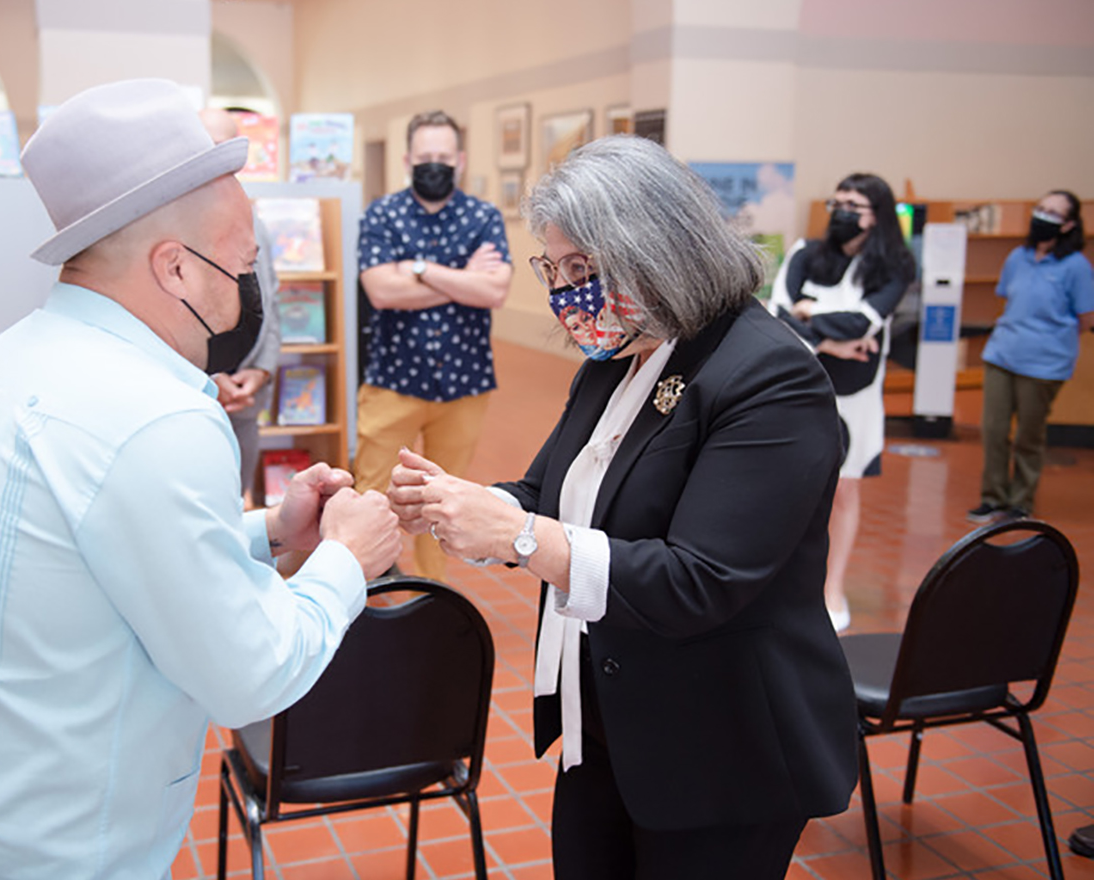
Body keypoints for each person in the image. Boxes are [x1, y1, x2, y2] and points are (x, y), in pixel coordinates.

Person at [0, 79, 401, 878]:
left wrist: (272, 531)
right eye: (243, 265)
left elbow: (82, 552)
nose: (249, 290)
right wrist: (346, 556)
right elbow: (254, 673)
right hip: (47, 851)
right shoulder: (156, 418)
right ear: (175, 268)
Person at [388, 136, 858, 880]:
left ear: (657, 249)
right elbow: (548, 497)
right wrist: (458, 506)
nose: (565, 292)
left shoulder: (767, 376)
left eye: (583, 269)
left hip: (722, 742)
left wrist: (514, 535)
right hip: (609, 716)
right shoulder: (620, 360)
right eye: (557, 270)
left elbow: (698, 580)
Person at [355, 109, 512, 580]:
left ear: (460, 159)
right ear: (407, 159)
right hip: (392, 381)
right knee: (371, 493)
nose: (435, 164)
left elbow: (495, 291)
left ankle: (430, 593)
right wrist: (463, 277)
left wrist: (419, 270)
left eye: (444, 156)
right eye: (426, 157)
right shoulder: (382, 214)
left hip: (464, 384)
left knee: (445, 502)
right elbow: (381, 290)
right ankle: (363, 587)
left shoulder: (482, 217)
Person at [769, 173, 916, 632]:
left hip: (854, 396)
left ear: (878, 216)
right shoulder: (803, 254)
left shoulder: (895, 265)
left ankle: (832, 588)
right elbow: (777, 317)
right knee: (788, 485)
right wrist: (829, 342)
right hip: (796, 386)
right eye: (839, 202)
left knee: (844, 489)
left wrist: (810, 314)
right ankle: (781, 584)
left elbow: (863, 323)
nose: (843, 211)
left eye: (855, 204)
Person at [968, 190, 1094, 523]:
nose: (1043, 216)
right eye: (1041, 209)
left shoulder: (1076, 267)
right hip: (1002, 354)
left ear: (1068, 225)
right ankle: (992, 497)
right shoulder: (1017, 257)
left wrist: (1049, 338)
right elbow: (1006, 299)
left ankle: (1020, 502)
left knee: (1028, 435)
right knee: (993, 430)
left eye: (1053, 213)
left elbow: (1086, 318)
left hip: (1044, 364)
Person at [199, 107, 282, 506]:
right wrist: (208, 379)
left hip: (244, 398)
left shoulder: (253, 220)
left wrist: (259, 371)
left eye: (230, 151)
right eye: (210, 148)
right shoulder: (163, 224)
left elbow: (270, 299)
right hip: (194, 394)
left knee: (237, 498)